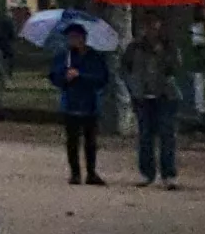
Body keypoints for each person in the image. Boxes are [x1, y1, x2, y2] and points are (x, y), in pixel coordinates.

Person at [121, 17, 185, 187]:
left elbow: (176, 68)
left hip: (165, 96)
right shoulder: (134, 47)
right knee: (145, 136)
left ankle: (168, 174)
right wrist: (134, 89)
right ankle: (147, 172)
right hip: (143, 96)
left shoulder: (169, 46)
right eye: (148, 26)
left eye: (155, 26)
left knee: (167, 135)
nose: (152, 30)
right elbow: (125, 69)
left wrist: (162, 55)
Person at [49, 22, 112, 186]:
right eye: (70, 37)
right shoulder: (65, 57)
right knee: (72, 140)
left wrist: (81, 75)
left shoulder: (95, 57)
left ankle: (91, 172)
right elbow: (54, 76)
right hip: (70, 103)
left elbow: (102, 78)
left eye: (75, 37)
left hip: (90, 103)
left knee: (90, 140)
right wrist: (65, 78)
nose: (72, 40)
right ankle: (75, 172)